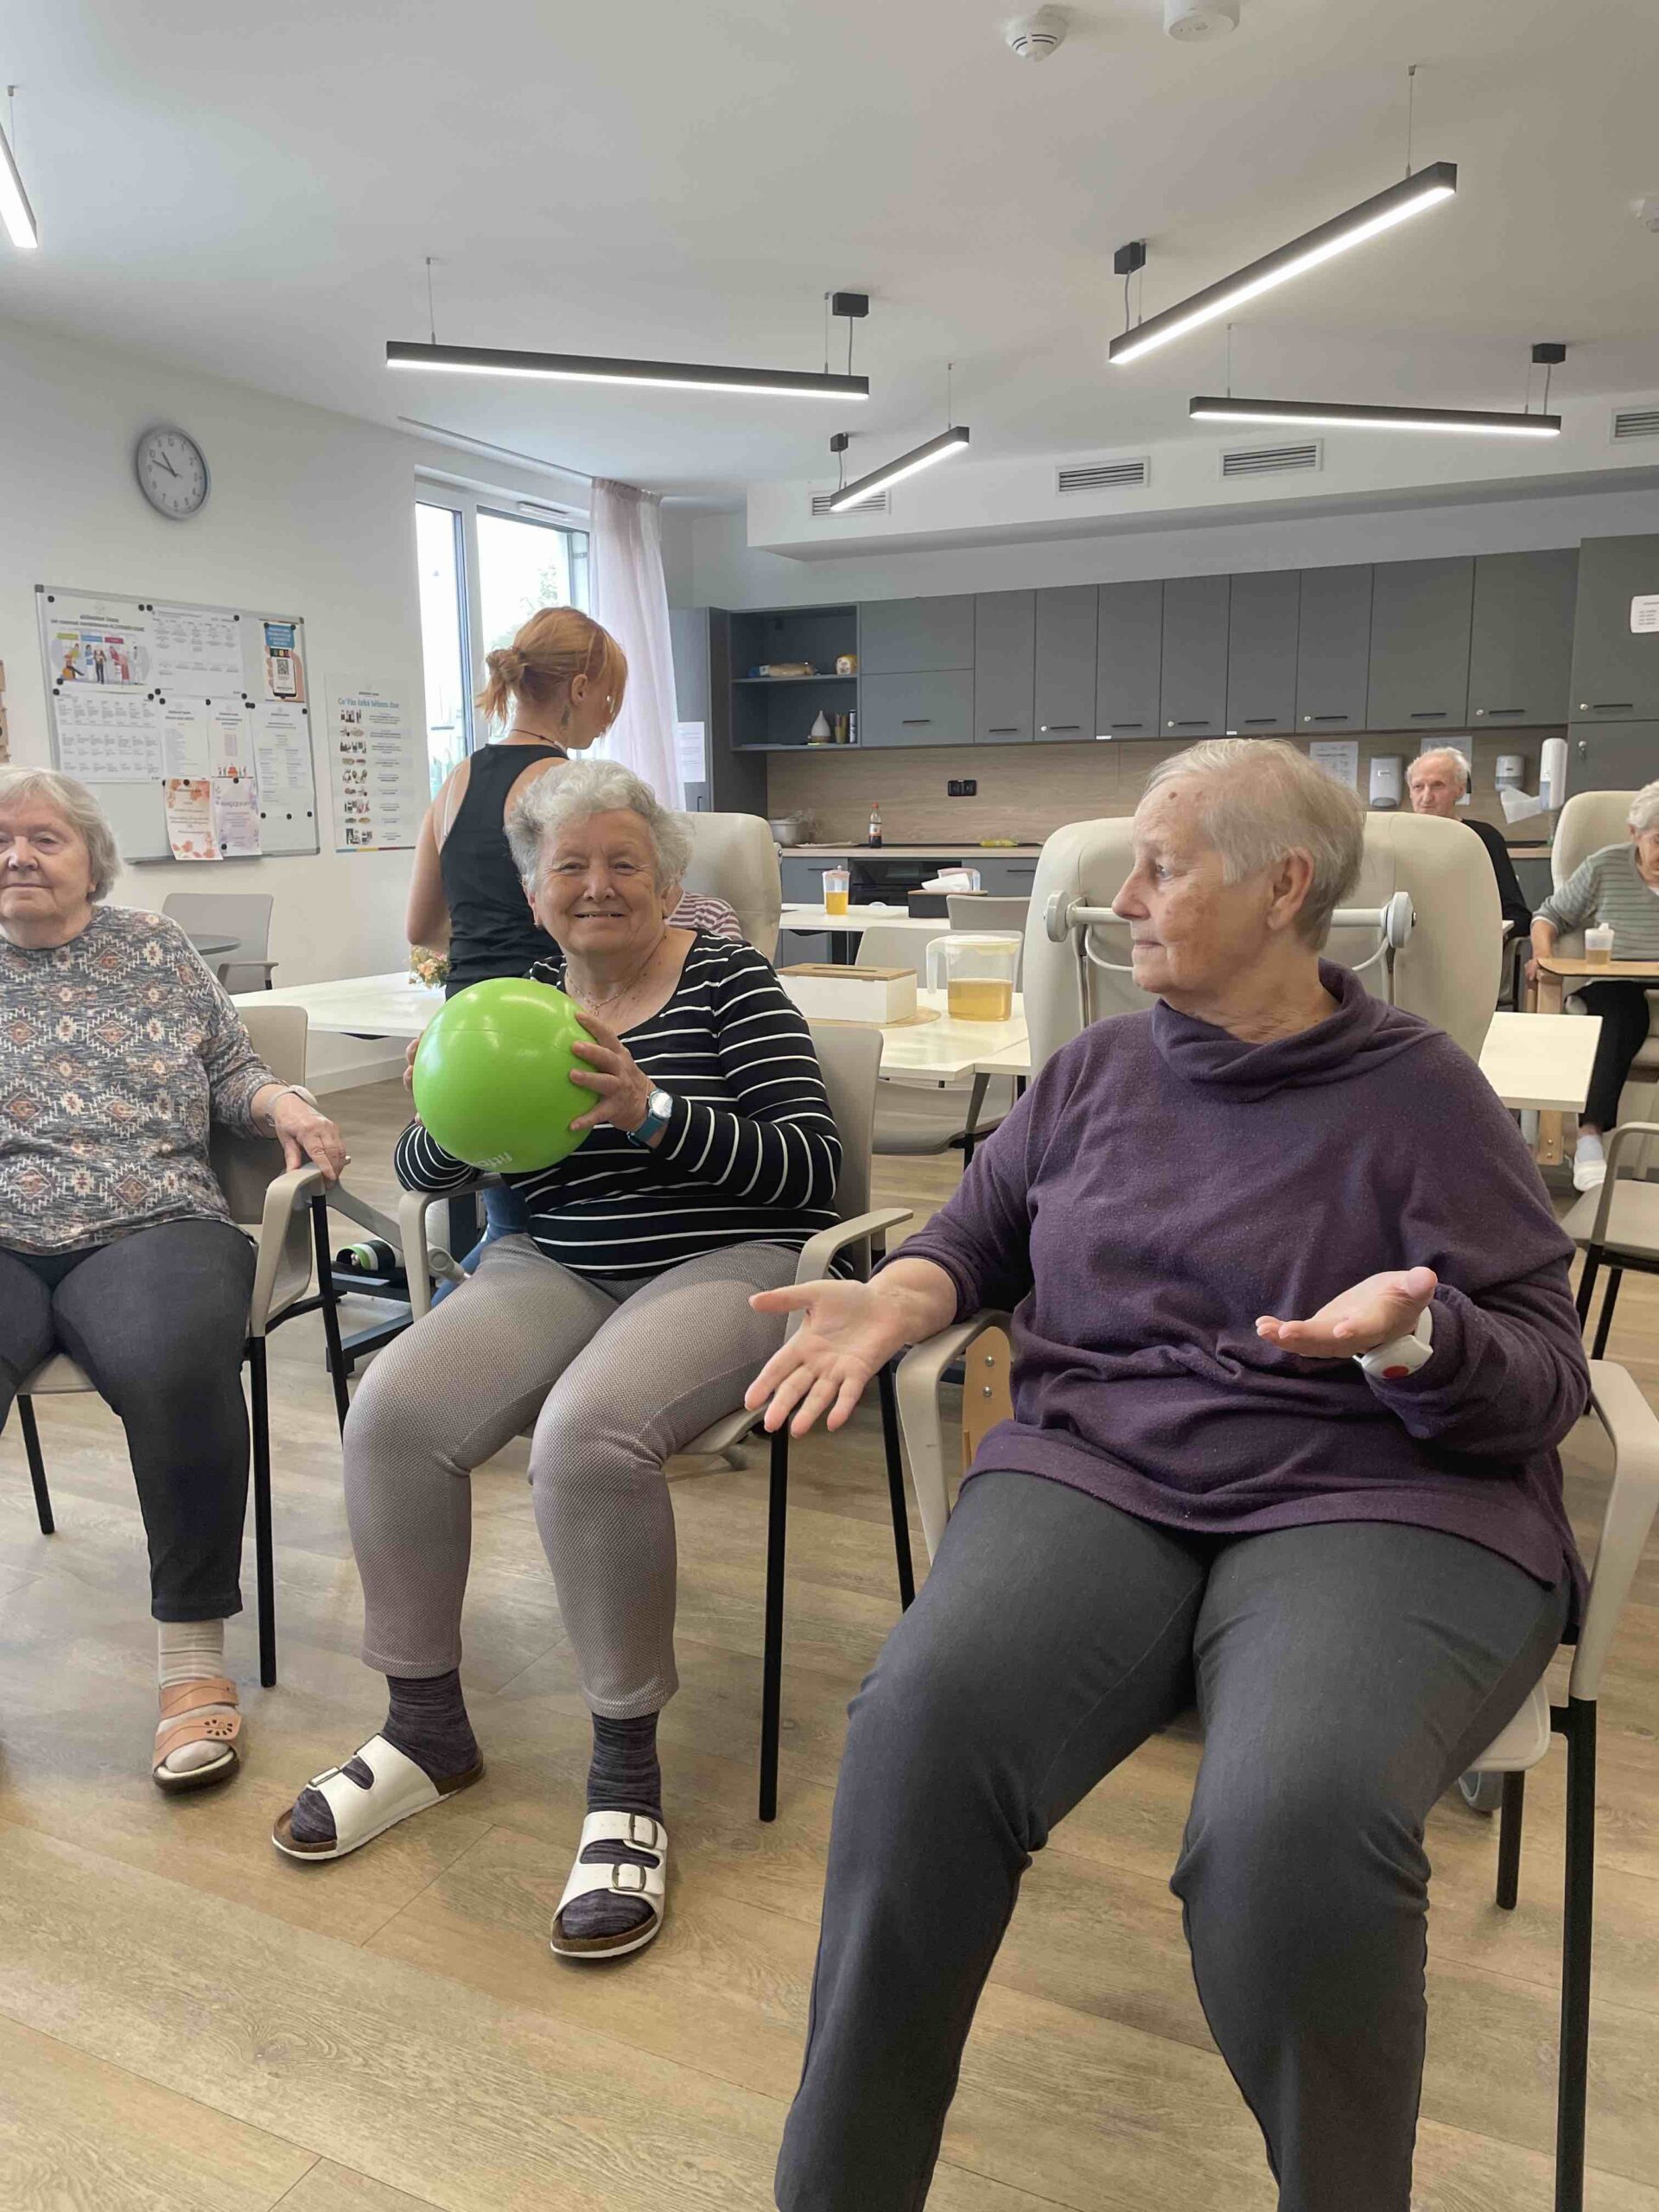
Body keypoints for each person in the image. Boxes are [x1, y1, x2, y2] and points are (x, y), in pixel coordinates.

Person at [750, 738, 1588, 2212]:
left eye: (1159, 868)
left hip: (1375, 1493)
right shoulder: (1096, 1071)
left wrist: (1415, 1340)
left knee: (1293, 1829)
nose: (1119, 900)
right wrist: (900, 1297)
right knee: (916, 1737)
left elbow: (1545, 1370)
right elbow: (978, 1231)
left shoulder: (1422, 1095)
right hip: (1108, 1468)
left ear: (1283, 888)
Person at [273, 760, 842, 1961]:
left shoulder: (728, 981)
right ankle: (424, 1727)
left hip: (725, 1260)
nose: (596, 885)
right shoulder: (507, 1004)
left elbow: (813, 1171)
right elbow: (421, 1171)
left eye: (624, 862)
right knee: (392, 1410)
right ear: (534, 895)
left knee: (588, 1437)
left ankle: (626, 1775)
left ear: (668, 883)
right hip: (557, 1264)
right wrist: (451, 1120)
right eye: (568, 866)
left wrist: (650, 1111)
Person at [0, 766, 346, 1791]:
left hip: (154, 1221)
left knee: (176, 1364)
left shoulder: (154, 947)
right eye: (1, 839)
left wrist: (281, 1100)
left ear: (92, 859)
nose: (17, 856)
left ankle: (192, 1661)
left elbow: (232, 1066)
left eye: (44, 838)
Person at [403, 605, 741, 1274]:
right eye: (609, 700)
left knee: (514, 1212)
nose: (606, 719)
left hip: (469, 1018)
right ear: (581, 689)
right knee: (547, 1212)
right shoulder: (563, 789)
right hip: (549, 1020)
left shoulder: (458, 779)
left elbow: (424, 929)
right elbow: (614, 910)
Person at [1529, 777, 1659, 1192]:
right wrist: (1543, 958)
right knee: (1620, 1014)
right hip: (1617, 983)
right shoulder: (1605, 866)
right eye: (1658, 841)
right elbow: (1548, 916)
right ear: (1634, 834)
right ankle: (1588, 1141)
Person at [1406, 745, 1531, 936]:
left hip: (1466, 939)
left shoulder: (1482, 838)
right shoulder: (1394, 839)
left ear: (1460, 790)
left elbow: (1517, 915)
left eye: (1438, 785)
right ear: (1410, 792)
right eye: (1418, 787)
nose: (1426, 797)